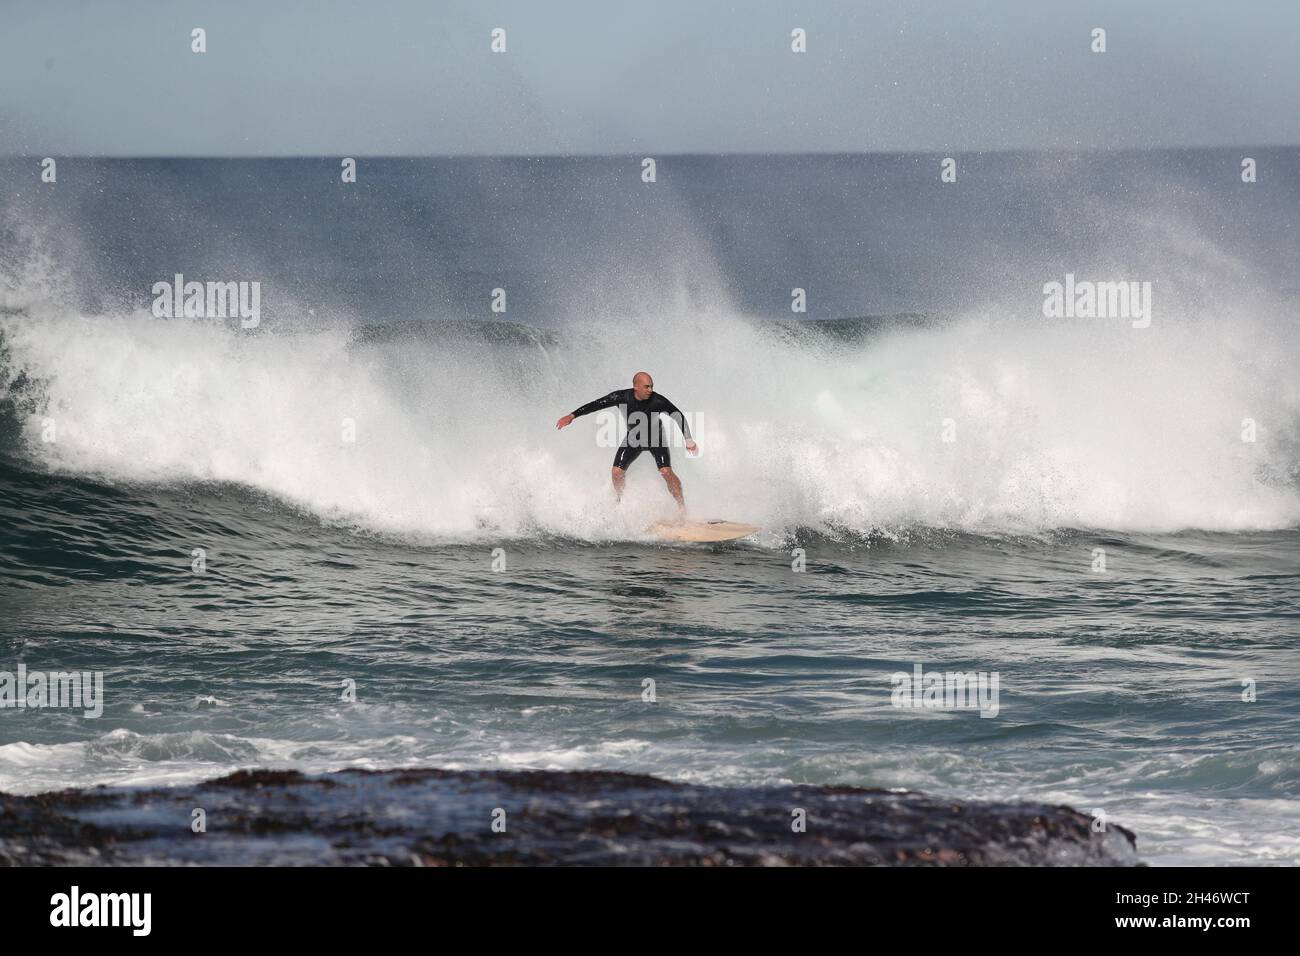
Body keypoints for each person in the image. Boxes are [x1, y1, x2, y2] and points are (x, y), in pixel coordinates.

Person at [556, 371, 698, 507]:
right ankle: (621, 502)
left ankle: (682, 508)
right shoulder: (621, 397)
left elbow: (678, 416)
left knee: (666, 472)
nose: (650, 390)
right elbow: (596, 404)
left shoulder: (658, 400)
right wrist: (572, 416)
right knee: (616, 472)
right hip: (634, 438)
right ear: (635, 386)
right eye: (646, 386)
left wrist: (689, 440)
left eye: (652, 386)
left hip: (656, 439)